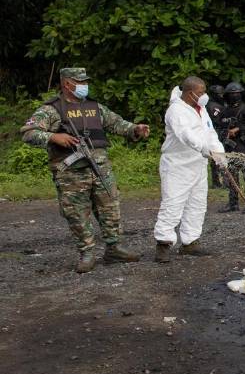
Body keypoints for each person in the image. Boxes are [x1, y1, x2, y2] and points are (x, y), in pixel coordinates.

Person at [19, 67, 151, 273]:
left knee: (110, 207)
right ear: (67, 84)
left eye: (84, 81)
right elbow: (28, 133)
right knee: (77, 213)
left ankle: (114, 248)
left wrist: (135, 129)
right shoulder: (52, 109)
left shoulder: (94, 106)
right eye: (78, 82)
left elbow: (117, 123)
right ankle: (87, 252)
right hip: (71, 172)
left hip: (100, 168)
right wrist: (54, 137)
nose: (83, 85)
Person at [153, 76, 227, 262]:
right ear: (189, 92)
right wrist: (205, 149)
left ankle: (190, 242)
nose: (204, 96)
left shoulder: (200, 109)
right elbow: (186, 135)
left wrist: (219, 152)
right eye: (200, 93)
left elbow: (209, 132)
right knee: (173, 204)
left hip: (198, 164)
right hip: (177, 165)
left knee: (197, 204)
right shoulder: (176, 111)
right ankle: (163, 244)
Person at [217, 81, 245, 213]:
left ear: (240, 94)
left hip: (243, 147)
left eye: (236, 93)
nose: (234, 96)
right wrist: (225, 133)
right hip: (228, 148)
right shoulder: (225, 111)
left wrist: (239, 129)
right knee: (232, 177)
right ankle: (233, 203)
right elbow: (219, 126)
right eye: (232, 94)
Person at [207, 84, 225, 188]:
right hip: (217, 132)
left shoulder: (217, 104)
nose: (222, 96)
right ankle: (218, 182)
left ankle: (219, 181)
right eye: (220, 94)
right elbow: (217, 121)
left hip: (218, 132)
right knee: (218, 157)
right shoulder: (213, 106)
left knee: (218, 157)